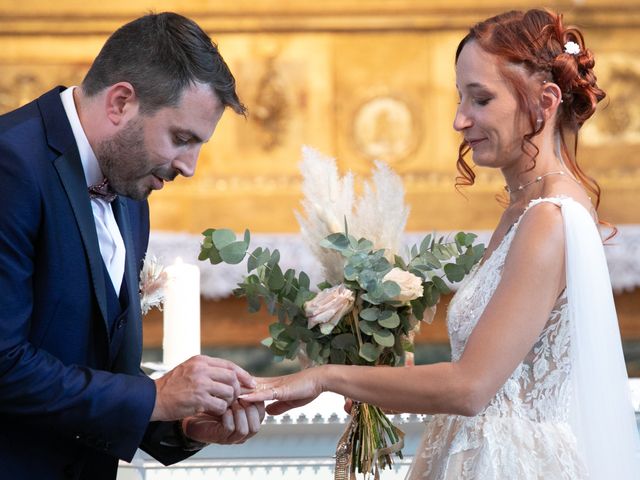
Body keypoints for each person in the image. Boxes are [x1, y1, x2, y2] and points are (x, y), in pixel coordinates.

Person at [242, 9, 640, 479]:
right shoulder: (522, 210)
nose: (459, 120)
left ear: (545, 100)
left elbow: (470, 388)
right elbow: (495, 372)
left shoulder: (549, 218)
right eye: (459, 99)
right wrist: (386, 372)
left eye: (480, 99)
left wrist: (323, 376)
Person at [0, 12, 265, 480]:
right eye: (182, 138)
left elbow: (95, 366)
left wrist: (183, 425)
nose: (189, 167)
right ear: (121, 102)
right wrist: (156, 397)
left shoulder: (128, 183)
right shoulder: (10, 164)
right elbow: (4, 363)